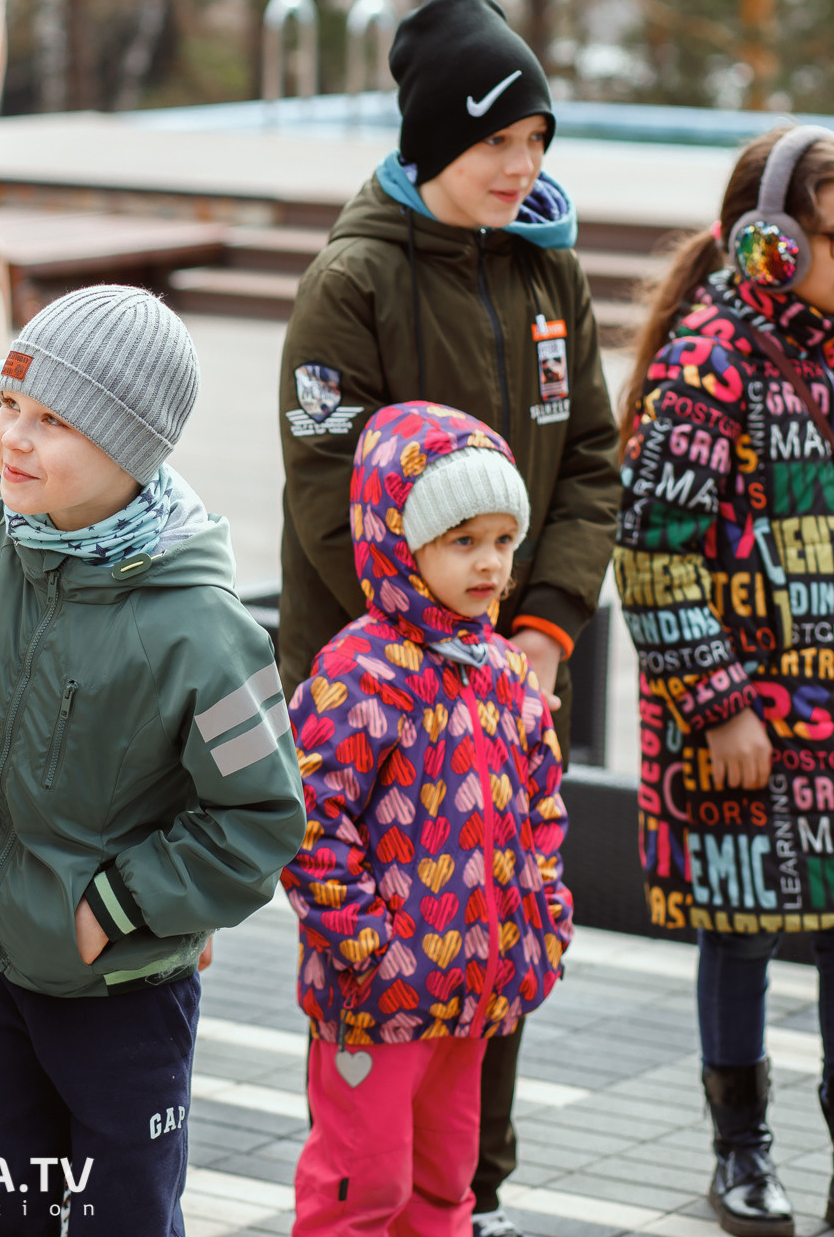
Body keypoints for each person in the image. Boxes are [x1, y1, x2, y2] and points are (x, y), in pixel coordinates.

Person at [0, 286, 308, 1235]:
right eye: (11, 404)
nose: (11, 436)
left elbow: (261, 819)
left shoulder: (205, 632)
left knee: (120, 1217)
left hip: (119, 995)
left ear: (130, 446)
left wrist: (117, 906)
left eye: (53, 420)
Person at [276, 0, 619, 1236]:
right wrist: (438, 649)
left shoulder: (547, 267)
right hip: (381, 688)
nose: (521, 167)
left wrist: (541, 630)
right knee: (387, 975)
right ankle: (368, 1202)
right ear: (433, 141)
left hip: (514, 673)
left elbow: (593, 458)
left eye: (536, 141)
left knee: (489, 945)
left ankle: (473, 1199)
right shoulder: (354, 280)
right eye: (496, 142)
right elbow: (328, 495)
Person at [613, 125, 834, 1237]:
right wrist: (720, 707)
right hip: (745, 722)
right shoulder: (706, 367)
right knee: (740, 930)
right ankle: (741, 1155)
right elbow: (651, 555)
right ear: (769, 243)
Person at [284, 400, 573, 1237]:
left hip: (474, 986)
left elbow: (543, 807)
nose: (490, 563)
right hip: (377, 994)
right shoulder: (359, 672)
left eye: (503, 541)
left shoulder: (507, 674)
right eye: (462, 541)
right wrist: (363, 941)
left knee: (446, 1180)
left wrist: (544, 917)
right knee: (361, 1182)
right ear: (399, 544)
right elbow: (311, 819)